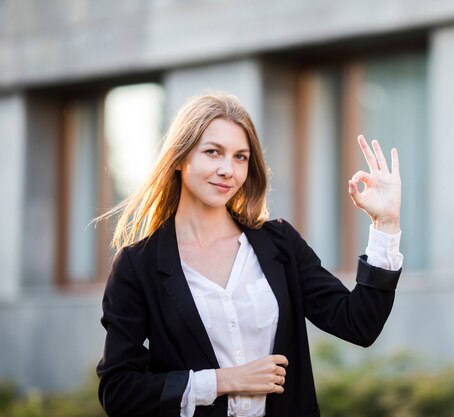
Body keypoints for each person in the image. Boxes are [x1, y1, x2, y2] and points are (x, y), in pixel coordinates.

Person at [96, 92, 403, 417]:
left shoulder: (279, 244)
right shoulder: (138, 265)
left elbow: (359, 324)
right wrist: (222, 381)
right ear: (179, 158)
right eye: (213, 152)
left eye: (240, 157)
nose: (227, 169)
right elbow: (118, 391)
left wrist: (386, 223)